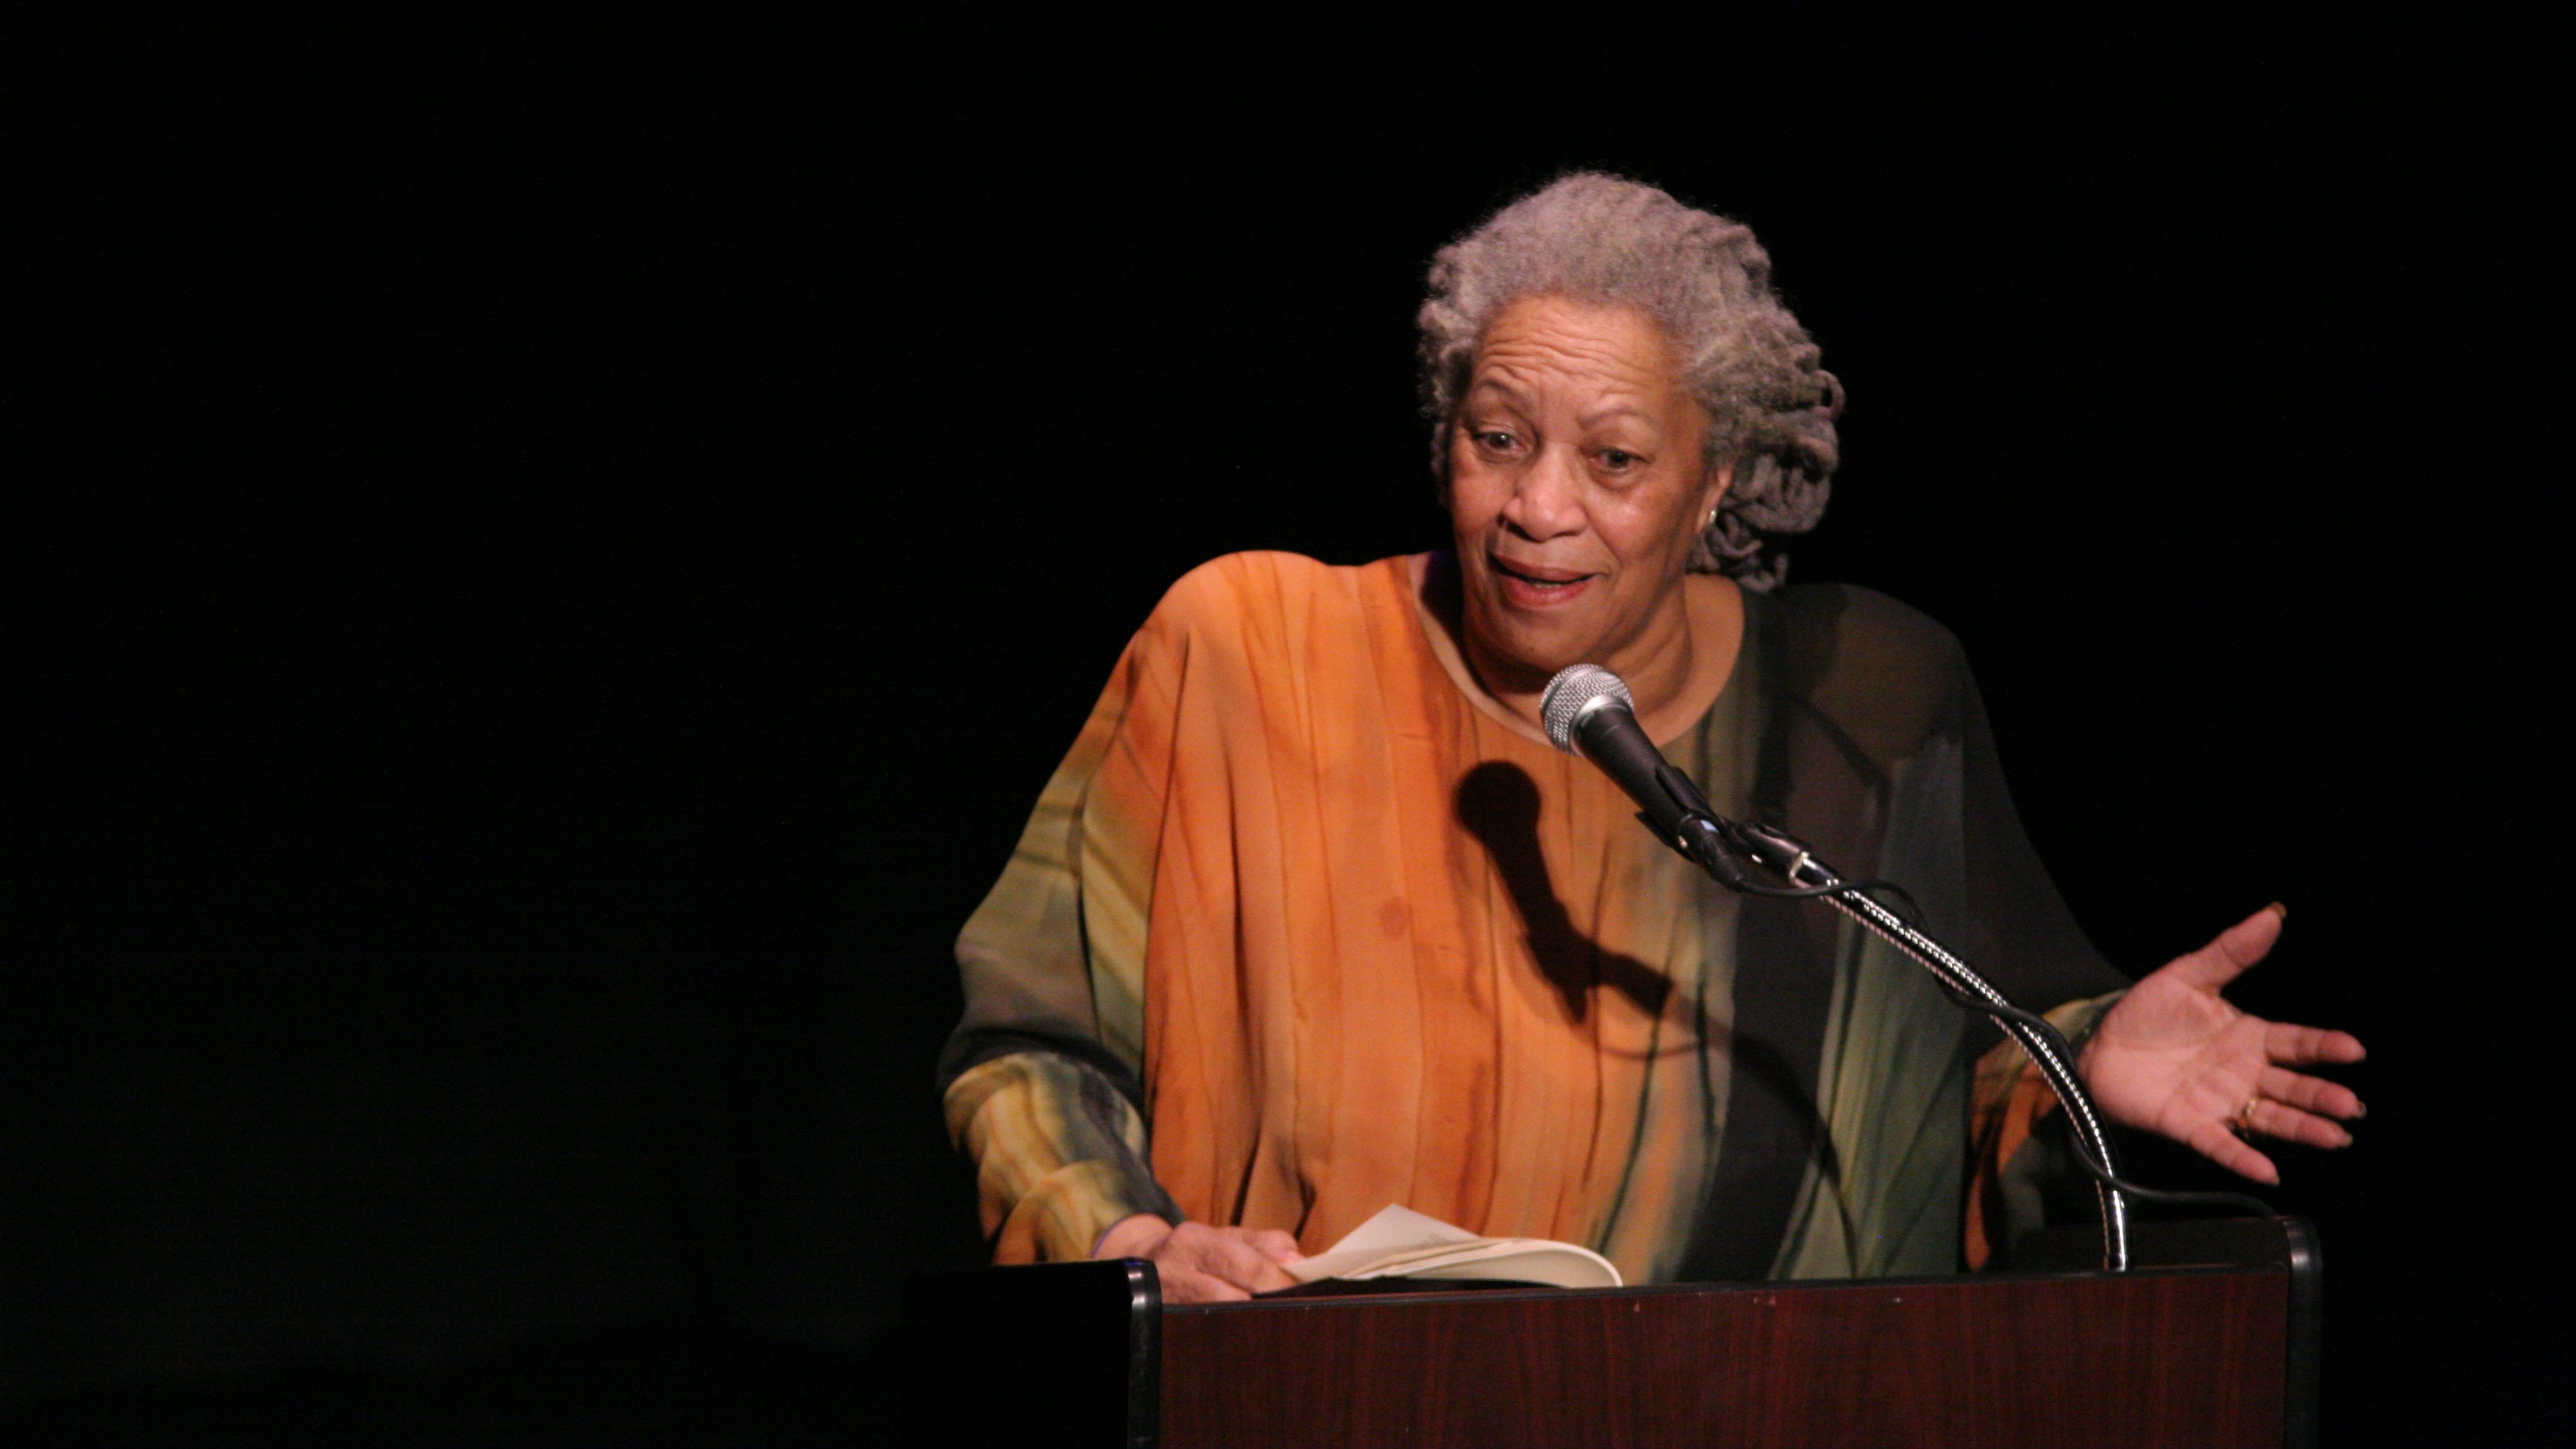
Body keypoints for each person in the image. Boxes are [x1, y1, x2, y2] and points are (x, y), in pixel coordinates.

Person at [938, 173, 2366, 1304]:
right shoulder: (1247, 653)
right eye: (1495, 436)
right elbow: (1028, 1042)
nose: (1538, 505)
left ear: (1719, 478)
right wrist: (1123, 1239)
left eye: (1614, 459)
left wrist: (2081, 1063)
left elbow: (1936, 1083)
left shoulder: (1865, 701)